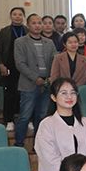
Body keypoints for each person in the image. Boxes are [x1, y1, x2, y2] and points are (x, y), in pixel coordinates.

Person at [35, 77, 86, 171]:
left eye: (73, 93)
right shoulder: (47, 125)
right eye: (64, 93)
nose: (69, 97)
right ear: (53, 97)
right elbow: (49, 160)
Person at [13, 13, 57, 147]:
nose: (37, 25)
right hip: (29, 84)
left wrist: (51, 76)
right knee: (25, 116)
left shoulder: (49, 42)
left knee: (42, 116)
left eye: (39, 23)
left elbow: (55, 60)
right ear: (28, 25)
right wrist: (35, 77)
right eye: (34, 23)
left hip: (47, 84)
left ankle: (37, 145)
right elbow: (20, 64)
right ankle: (19, 144)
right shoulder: (20, 42)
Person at [0, 7, 27, 131]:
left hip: (25, 67)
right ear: (11, 16)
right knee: (9, 94)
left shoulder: (27, 30)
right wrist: (1, 65)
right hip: (9, 67)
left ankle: (25, 119)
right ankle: (8, 120)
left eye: (20, 14)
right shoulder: (4, 31)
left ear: (23, 17)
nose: (17, 16)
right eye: (14, 14)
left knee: (24, 94)